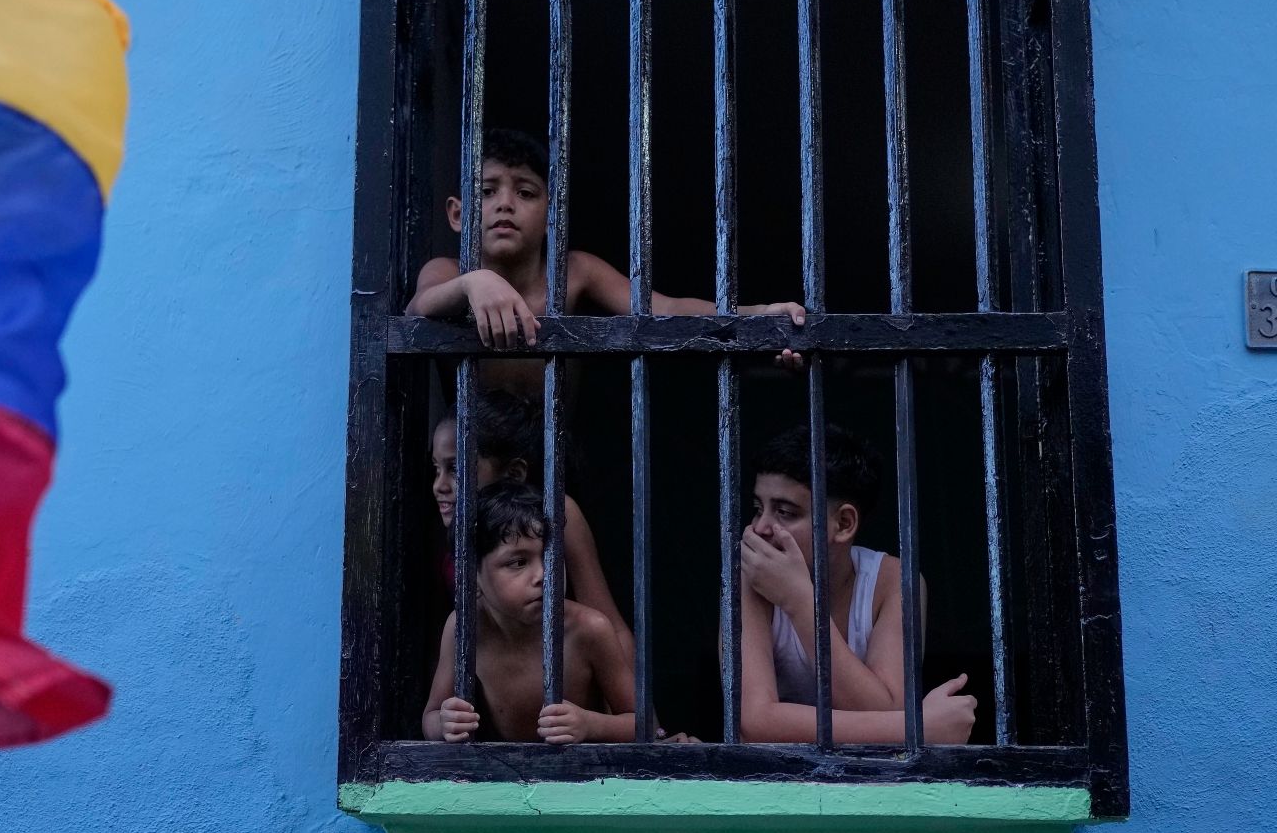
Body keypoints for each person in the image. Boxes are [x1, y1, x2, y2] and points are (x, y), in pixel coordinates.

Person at [406, 127, 806, 394]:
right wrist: (473, 282)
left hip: (553, 463)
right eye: (488, 191)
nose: (505, 204)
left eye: (526, 193)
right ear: (457, 215)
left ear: (550, 216)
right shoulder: (447, 272)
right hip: (470, 463)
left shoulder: (574, 271)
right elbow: (415, 311)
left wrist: (758, 316)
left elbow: (663, 310)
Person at [735, 422, 977, 745]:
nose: (759, 528)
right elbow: (755, 722)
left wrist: (801, 603)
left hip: (874, 786)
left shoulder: (892, 581)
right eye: (757, 509)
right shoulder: (751, 581)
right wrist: (916, 730)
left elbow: (887, 707)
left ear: (844, 524)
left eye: (784, 512)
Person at [423, 483, 657, 744]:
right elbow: (430, 715)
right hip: (502, 778)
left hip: (584, 779)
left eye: (551, 557)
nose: (543, 575)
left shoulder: (589, 629)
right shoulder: (464, 628)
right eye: (518, 562)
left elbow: (644, 725)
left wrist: (591, 725)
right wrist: (445, 723)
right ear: (471, 577)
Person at [430, 391, 634, 680]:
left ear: (513, 474)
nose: (439, 485)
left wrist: (646, 723)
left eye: (456, 469)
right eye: (436, 468)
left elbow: (611, 626)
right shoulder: (457, 525)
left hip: (565, 690)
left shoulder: (555, 511)